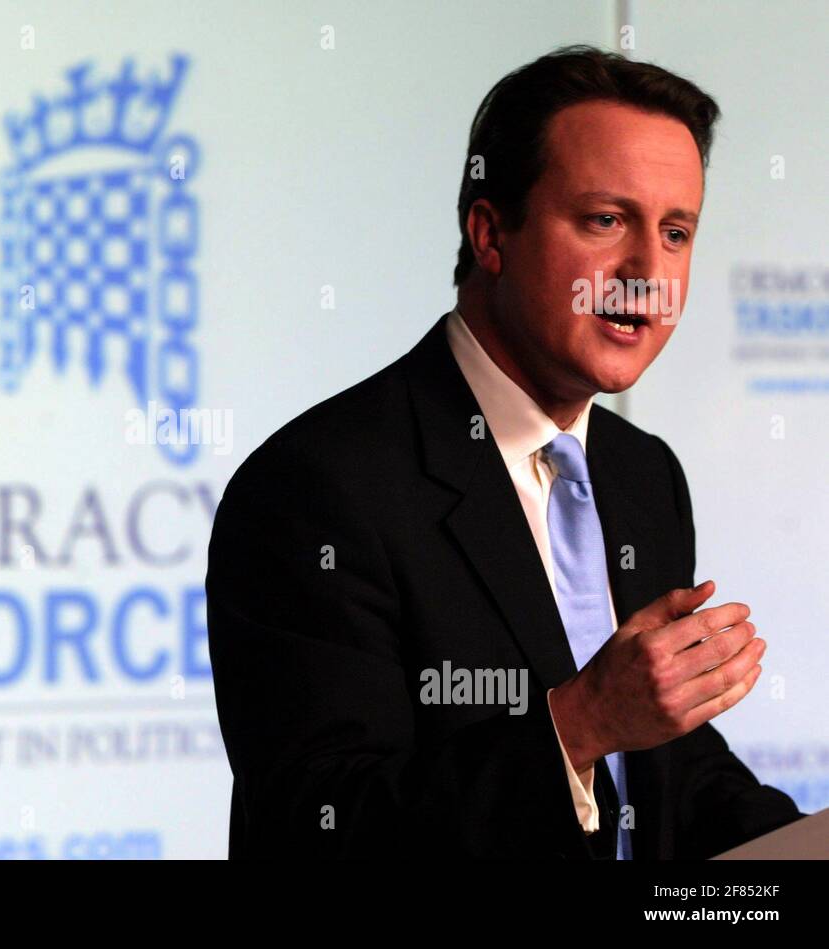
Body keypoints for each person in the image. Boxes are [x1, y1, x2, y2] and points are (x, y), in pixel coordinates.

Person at [205, 45, 805, 859]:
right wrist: (581, 722)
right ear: (490, 233)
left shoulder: (642, 473)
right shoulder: (318, 487)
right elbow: (320, 819)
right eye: (605, 220)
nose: (646, 272)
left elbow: (667, 776)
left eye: (675, 232)